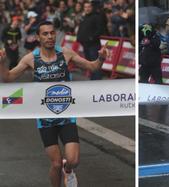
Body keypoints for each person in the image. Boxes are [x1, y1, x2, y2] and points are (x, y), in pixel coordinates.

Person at [0, 21, 107, 187]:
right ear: (38, 37)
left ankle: (69, 169)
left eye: (52, 33)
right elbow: (8, 77)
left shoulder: (65, 53)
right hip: (45, 118)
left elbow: (93, 67)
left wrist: (101, 58)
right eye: (45, 34)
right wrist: (2, 63)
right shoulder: (31, 58)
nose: (49, 37)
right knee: (56, 164)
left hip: (66, 115)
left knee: (73, 160)